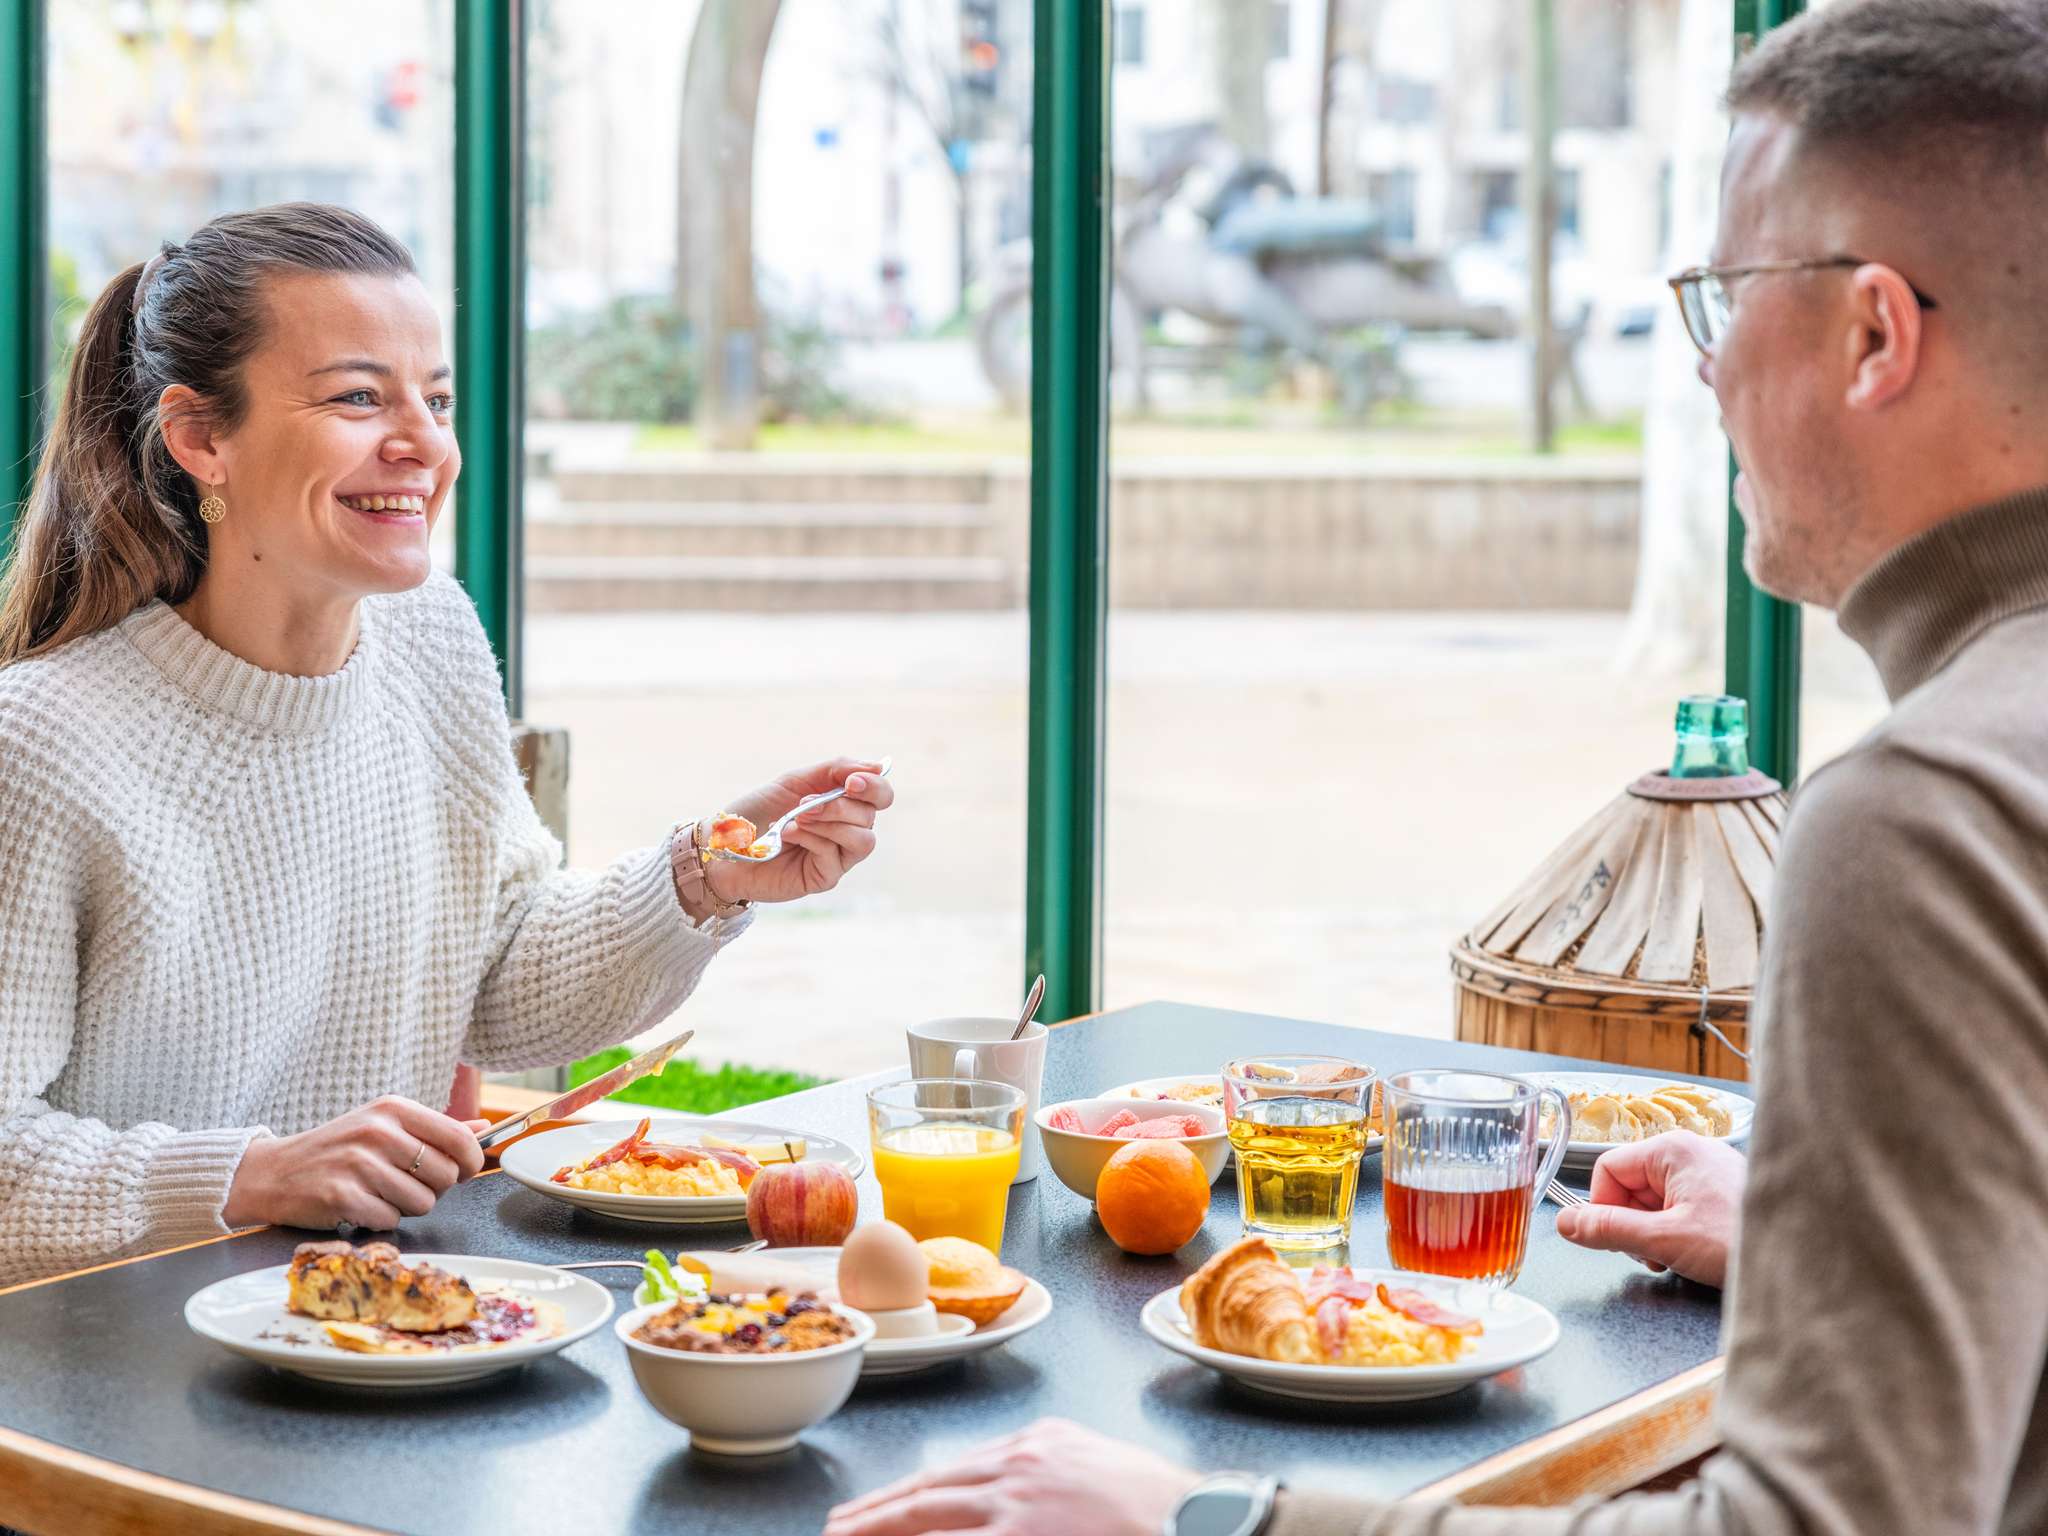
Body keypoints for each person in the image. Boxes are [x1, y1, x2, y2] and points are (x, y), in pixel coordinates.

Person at [825, 2, 2048, 1531]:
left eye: (1728, 294)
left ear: (1876, 332)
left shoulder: (1928, 821)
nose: (1707, 368)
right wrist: (1850, 1249)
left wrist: (1218, 1520)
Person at [0, 203, 893, 1289]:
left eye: (435, 398)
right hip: (106, 1369)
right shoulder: (41, 742)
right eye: (358, 397)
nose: (424, 444)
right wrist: (254, 1177)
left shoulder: (430, 641)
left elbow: (505, 984)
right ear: (199, 438)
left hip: (382, 1324)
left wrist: (700, 879)